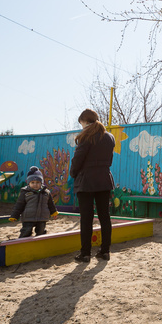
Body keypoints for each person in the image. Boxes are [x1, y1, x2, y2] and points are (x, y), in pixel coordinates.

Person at [70, 109, 115, 262]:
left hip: (87, 181)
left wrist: (73, 173)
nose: (81, 126)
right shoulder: (109, 137)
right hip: (104, 179)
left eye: (81, 123)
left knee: (86, 218)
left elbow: (78, 159)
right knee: (104, 216)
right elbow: (109, 159)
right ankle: (105, 251)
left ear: (85, 121)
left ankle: (85, 253)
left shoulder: (86, 137)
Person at [9, 166, 58, 238]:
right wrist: (14, 216)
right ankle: (22, 242)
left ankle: (40, 243)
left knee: (41, 232)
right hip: (28, 217)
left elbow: (51, 204)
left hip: (42, 217)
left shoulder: (46, 192)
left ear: (41, 183)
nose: (35, 184)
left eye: (38, 182)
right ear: (28, 183)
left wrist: (53, 212)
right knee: (26, 231)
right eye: (32, 182)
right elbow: (19, 205)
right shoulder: (25, 193)